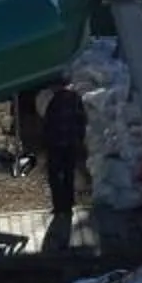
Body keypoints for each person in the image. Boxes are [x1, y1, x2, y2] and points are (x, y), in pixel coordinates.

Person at [41, 78, 89, 217]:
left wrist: (46, 142)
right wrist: (79, 139)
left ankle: (58, 206)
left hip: (56, 144)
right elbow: (82, 120)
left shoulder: (53, 101)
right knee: (69, 174)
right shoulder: (75, 98)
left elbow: (48, 124)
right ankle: (68, 204)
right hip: (71, 143)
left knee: (54, 176)